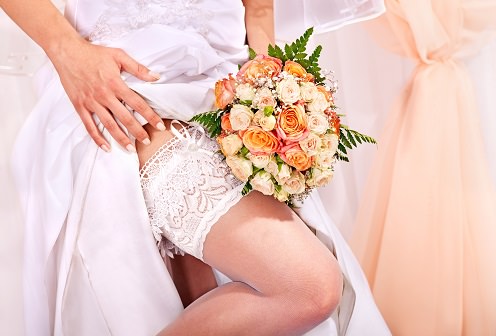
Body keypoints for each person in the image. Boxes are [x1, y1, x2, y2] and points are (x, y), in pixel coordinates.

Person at [2, 0, 390, 335]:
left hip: (225, 104)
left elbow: (259, 9)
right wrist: (65, 49)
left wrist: (278, 108)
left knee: (217, 300)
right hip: (122, 97)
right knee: (309, 287)